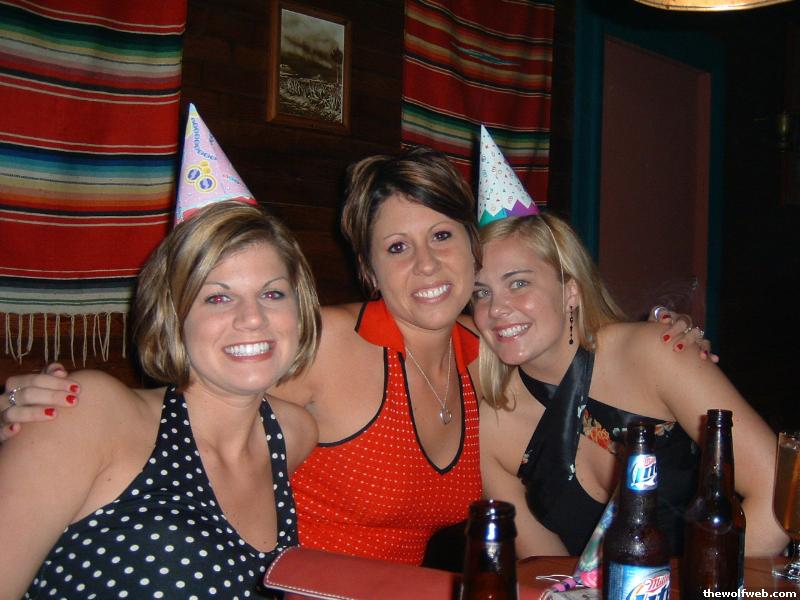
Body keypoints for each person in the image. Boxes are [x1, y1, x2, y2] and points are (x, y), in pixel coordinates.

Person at [0, 147, 704, 567]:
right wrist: (57, 406)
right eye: (397, 247)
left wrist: (670, 342)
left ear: (473, 250)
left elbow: (572, 377)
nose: (425, 264)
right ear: (368, 270)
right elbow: (201, 395)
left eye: (442, 236)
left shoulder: (489, 358)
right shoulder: (325, 343)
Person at [0, 201, 321, 597]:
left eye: (272, 293)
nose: (253, 317)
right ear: (172, 315)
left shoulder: (291, 433)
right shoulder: (93, 412)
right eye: (217, 298)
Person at [471, 212, 788, 558]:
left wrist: (700, 580)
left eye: (518, 283)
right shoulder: (491, 429)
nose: (496, 309)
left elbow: (780, 494)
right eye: (482, 292)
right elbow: (544, 572)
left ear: (571, 291)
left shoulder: (654, 353)